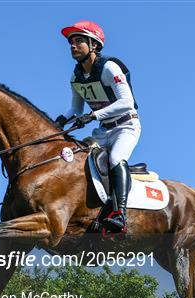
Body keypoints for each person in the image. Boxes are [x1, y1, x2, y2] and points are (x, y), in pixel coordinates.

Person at [55, 20, 140, 233]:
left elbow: (127, 102)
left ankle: (119, 214)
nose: (73, 46)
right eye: (71, 42)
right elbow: (75, 108)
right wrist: (60, 121)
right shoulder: (76, 76)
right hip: (103, 130)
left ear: (94, 45)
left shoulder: (110, 67)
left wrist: (93, 115)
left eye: (79, 41)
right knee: (78, 158)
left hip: (126, 126)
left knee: (115, 159)